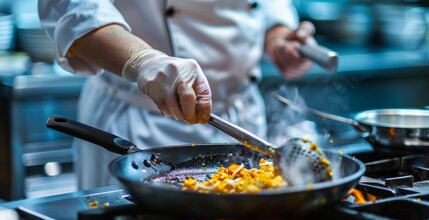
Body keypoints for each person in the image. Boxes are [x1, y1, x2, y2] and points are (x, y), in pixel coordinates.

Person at [38, 0, 316, 190]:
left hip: (240, 115)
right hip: (139, 121)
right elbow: (74, 7)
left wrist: (278, 34)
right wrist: (143, 61)